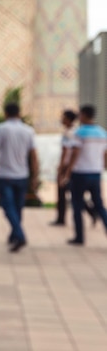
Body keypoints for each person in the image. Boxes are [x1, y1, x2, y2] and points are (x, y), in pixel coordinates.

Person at [0, 103, 39, 253]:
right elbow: (33, 155)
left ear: (6, 113)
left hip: (5, 175)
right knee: (17, 208)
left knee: (8, 208)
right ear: (19, 114)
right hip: (22, 175)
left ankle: (19, 235)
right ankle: (14, 235)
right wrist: (35, 176)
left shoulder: (2, 129)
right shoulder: (28, 131)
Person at [61, 104, 107, 246]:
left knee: (77, 204)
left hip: (80, 173)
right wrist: (103, 167)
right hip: (95, 173)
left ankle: (79, 237)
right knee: (99, 204)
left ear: (85, 115)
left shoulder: (79, 133)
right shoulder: (102, 132)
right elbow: (105, 154)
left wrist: (67, 173)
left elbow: (74, 154)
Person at [51, 109, 95, 226]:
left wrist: (61, 168)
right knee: (73, 192)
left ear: (69, 119)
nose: (62, 119)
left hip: (67, 166)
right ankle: (91, 211)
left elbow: (66, 152)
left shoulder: (68, 133)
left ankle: (62, 218)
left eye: (63, 117)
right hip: (73, 166)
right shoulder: (76, 131)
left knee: (65, 192)